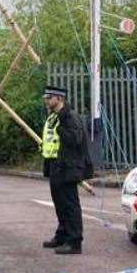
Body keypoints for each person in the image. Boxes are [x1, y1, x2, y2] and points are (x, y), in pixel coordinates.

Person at [40, 85, 92, 255]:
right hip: (55, 165)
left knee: (70, 205)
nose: (46, 100)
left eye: (49, 98)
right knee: (60, 204)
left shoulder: (69, 116)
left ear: (59, 98)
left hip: (67, 167)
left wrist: (61, 129)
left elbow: (75, 139)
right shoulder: (53, 117)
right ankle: (62, 236)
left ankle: (74, 241)